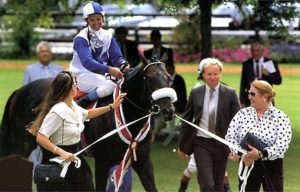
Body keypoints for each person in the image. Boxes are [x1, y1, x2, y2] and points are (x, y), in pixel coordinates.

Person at [27, 71, 126, 191]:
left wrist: (111, 106)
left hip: (75, 159)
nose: (77, 87)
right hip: (58, 162)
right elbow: (41, 137)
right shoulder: (57, 111)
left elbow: (87, 113)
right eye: (74, 84)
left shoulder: (73, 105)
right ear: (66, 89)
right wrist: (62, 153)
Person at [177, 58, 240, 191]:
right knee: (206, 184)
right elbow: (186, 120)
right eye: (209, 74)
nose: (212, 77)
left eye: (215, 74)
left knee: (218, 185)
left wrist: (236, 147)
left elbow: (238, 123)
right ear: (203, 75)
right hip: (201, 143)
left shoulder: (230, 93)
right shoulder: (196, 93)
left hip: (222, 144)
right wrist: (182, 146)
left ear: (220, 74)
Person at [225, 80, 292, 192]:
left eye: (253, 94)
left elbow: (283, 143)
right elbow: (230, 137)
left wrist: (261, 153)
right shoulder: (242, 114)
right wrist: (242, 154)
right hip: (247, 162)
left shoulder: (280, 117)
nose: (249, 97)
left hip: (271, 165)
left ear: (264, 96)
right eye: (249, 93)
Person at [69, 1, 129, 108]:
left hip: (102, 74)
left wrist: (123, 64)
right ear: (86, 20)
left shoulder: (108, 35)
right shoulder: (81, 38)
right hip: (83, 75)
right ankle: (82, 103)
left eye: (98, 19)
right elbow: (87, 62)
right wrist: (110, 69)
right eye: (92, 20)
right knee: (110, 86)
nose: (96, 22)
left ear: (103, 18)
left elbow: (116, 57)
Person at [240, 40, 282, 108]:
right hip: (250, 101)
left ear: (262, 51)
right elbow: (243, 84)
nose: (255, 53)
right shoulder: (246, 64)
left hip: (266, 100)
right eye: (253, 50)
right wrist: (242, 101)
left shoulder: (269, 63)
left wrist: (268, 74)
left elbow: (278, 80)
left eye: (257, 50)